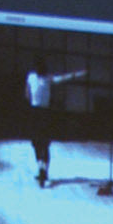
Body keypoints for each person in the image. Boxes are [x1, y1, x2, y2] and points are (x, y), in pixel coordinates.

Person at [25, 56, 86, 187]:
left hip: (36, 112)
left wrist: (31, 101)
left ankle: (41, 167)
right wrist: (77, 74)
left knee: (39, 142)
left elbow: (27, 93)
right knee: (41, 142)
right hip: (43, 112)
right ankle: (43, 169)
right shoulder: (46, 78)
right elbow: (64, 78)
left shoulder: (33, 77)